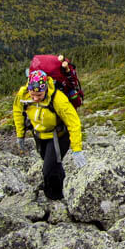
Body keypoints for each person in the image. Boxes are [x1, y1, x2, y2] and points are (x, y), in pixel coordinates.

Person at [13, 69, 85, 200]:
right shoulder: (23, 95)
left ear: (45, 89)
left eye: (39, 95)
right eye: (32, 94)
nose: (35, 98)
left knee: (48, 169)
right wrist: (20, 135)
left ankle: (54, 198)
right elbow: (18, 112)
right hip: (40, 136)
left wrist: (77, 149)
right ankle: (64, 187)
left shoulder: (58, 99)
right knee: (53, 165)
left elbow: (73, 122)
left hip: (59, 137)